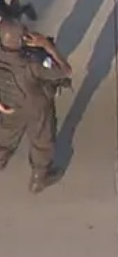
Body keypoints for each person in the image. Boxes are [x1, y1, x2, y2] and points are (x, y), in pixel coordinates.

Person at [0, 18, 72, 193]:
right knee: (42, 141)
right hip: (36, 108)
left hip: (9, 105)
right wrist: (47, 45)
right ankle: (39, 179)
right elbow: (65, 70)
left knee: (4, 140)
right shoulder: (32, 64)